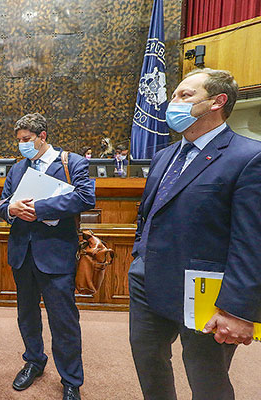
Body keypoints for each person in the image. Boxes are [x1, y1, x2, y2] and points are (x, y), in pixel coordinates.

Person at [130, 68, 261, 400]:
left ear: (217, 102)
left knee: (207, 380)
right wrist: (138, 254)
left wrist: (239, 309)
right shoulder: (163, 156)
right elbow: (147, 214)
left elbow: (252, 241)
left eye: (184, 96)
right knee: (150, 368)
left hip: (205, 293)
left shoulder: (249, 157)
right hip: (147, 282)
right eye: (173, 95)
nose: (172, 102)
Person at [0, 113, 95, 400]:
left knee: (63, 320)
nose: (22, 145)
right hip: (22, 253)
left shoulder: (72, 162)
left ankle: (71, 380)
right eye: (19, 141)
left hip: (56, 254)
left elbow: (85, 197)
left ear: (42, 137)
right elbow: (5, 202)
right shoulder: (17, 169)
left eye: (27, 140)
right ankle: (34, 361)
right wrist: (9, 210)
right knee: (27, 314)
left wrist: (41, 209)